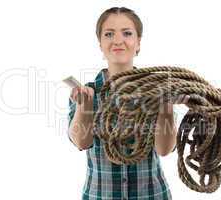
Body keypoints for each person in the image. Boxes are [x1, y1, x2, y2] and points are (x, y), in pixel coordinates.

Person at [68, 7, 188, 200]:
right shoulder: (87, 93)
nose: (117, 40)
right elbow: (82, 142)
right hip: (99, 195)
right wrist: (85, 107)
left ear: (138, 42)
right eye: (109, 34)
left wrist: (165, 109)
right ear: (100, 43)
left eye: (127, 33)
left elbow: (164, 150)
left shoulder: (155, 91)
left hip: (152, 195)